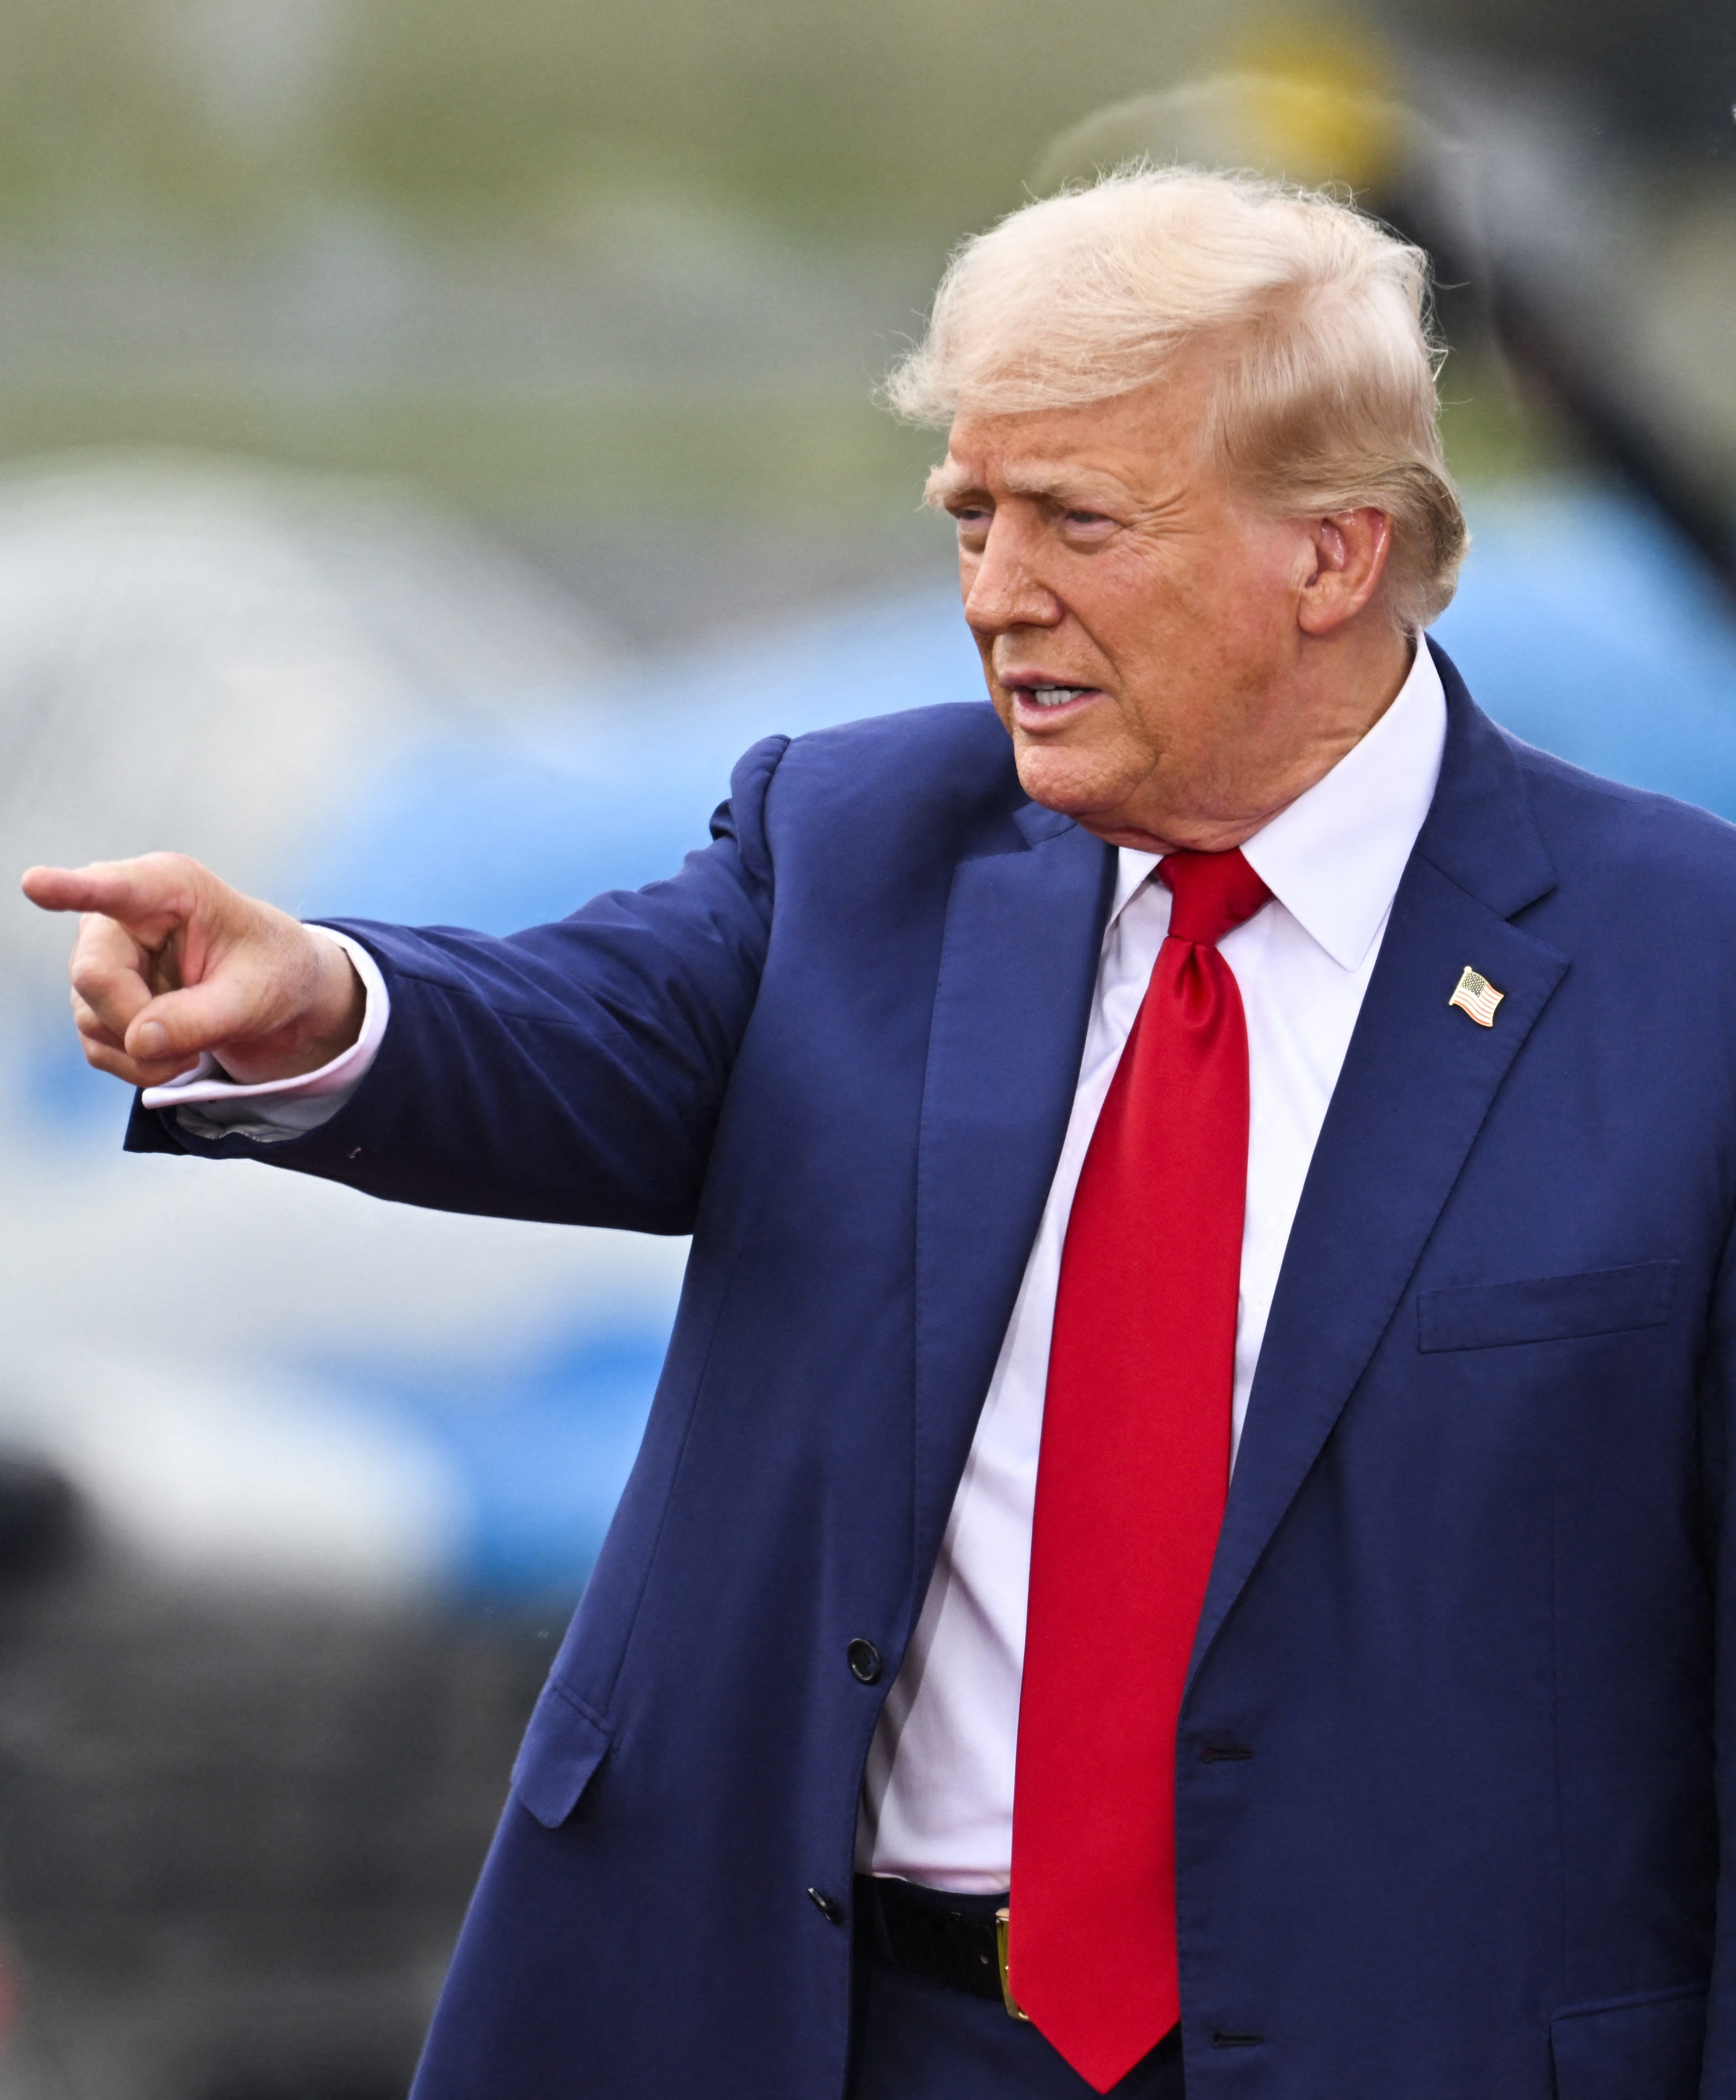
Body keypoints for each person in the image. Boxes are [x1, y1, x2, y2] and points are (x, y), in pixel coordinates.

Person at [23, 168, 1735, 2100]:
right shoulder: (857, 842)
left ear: (1330, 556)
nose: (997, 591)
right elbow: (580, 1026)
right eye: (969, 516)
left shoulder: (1687, 973)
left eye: (1073, 521)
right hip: (853, 2032)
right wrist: (323, 998)